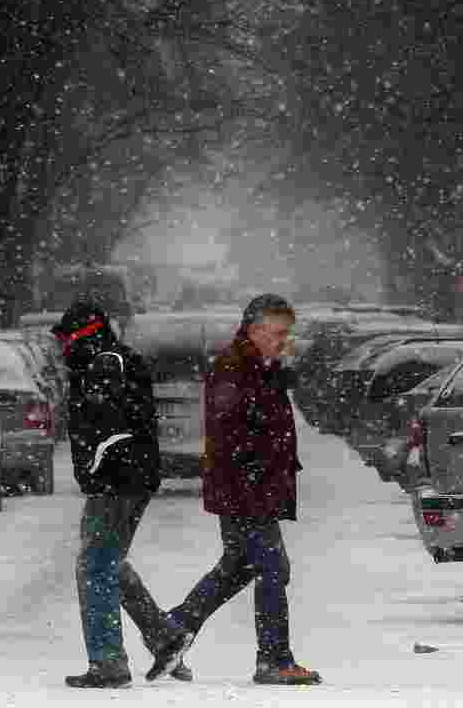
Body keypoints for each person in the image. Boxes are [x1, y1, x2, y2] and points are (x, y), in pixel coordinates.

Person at [146, 293, 322, 686]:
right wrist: (259, 466)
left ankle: (171, 628)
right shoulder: (235, 367)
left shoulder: (258, 365)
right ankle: (274, 659)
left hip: (251, 486)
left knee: (240, 566)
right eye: (277, 333)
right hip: (246, 488)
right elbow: (233, 433)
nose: (283, 340)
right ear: (255, 329)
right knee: (273, 568)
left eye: (286, 333)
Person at [53, 301, 193, 689]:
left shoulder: (104, 365)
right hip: (132, 479)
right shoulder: (115, 360)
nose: (62, 349)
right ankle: (165, 636)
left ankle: (108, 663)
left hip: (117, 482)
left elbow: (110, 427)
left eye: (66, 340)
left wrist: (97, 467)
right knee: (108, 561)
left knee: (95, 566)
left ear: (83, 336)